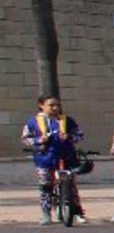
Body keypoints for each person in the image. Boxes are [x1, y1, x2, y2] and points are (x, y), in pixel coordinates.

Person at [22, 95, 87, 225]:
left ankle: (77, 212)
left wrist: (69, 137)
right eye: (51, 105)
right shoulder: (33, 121)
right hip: (45, 158)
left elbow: (80, 135)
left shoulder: (67, 120)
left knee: (71, 186)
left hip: (66, 157)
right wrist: (38, 140)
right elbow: (25, 138)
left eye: (57, 105)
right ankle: (46, 213)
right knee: (45, 186)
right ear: (41, 105)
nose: (55, 108)